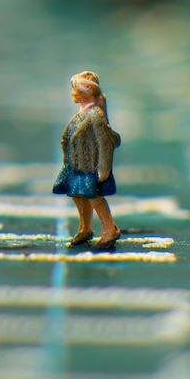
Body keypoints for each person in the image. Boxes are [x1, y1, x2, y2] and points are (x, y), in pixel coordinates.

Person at [53, 71, 121, 249]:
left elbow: (105, 142)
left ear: (86, 92)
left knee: (94, 197)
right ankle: (86, 228)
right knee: (77, 194)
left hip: (89, 166)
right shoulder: (81, 112)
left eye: (75, 90)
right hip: (74, 165)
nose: (72, 94)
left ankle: (109, 229)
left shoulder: (95, 114)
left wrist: (104, 169)